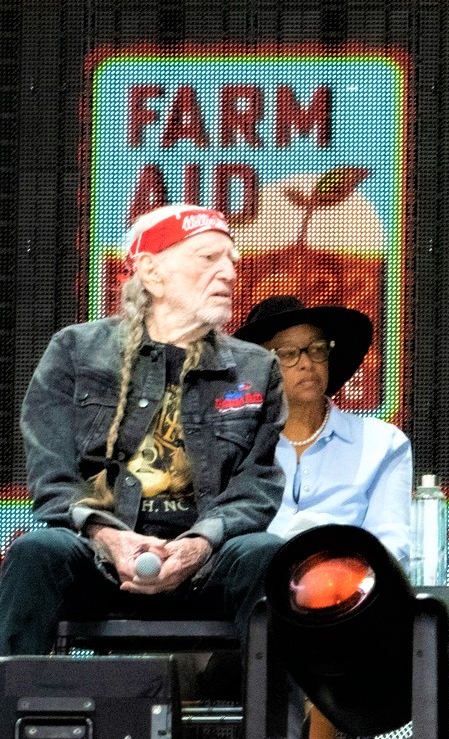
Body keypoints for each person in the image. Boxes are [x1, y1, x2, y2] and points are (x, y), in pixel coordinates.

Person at [0, 205, 285, 658]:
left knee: (267, 553)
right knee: (37, 551)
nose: (229, 271)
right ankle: (13, 718)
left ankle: (266, 728)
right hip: (99, 558)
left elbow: (256, 487)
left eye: (231, 259)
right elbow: (53, 477)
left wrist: (197, 545)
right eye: (208, 258)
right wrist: (111, 539)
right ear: (152, 272)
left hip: (204, 566)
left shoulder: (255, 368)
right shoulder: (75, 351)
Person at [234, 295, 411, 567]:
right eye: (287, 353)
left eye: (317, 349)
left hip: (349, 596)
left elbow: (391, 549)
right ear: (258, 368)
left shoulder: (383, 443)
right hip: (255, 593)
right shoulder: (236, 444)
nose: (307, 363)